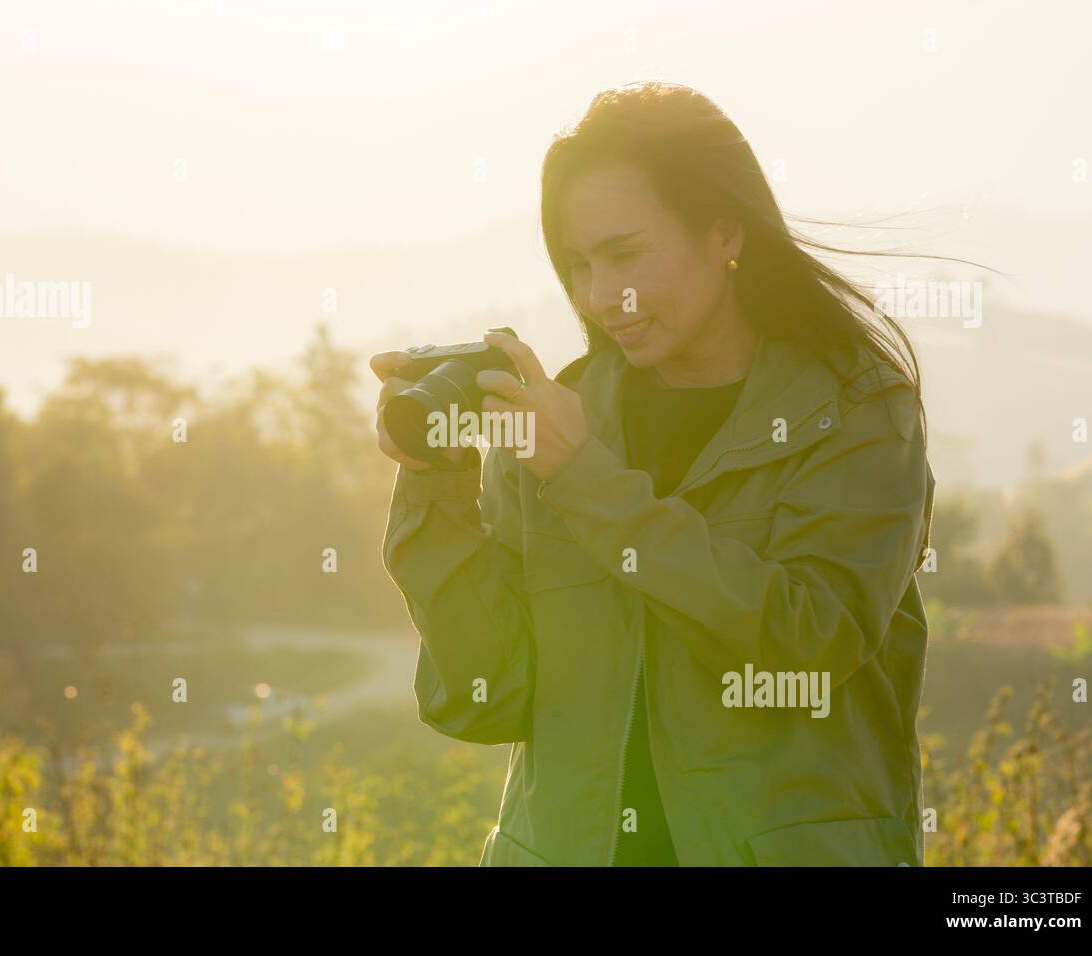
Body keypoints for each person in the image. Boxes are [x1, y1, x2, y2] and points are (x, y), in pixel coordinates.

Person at [371, 82, 936, 866]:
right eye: (577, 264)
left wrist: (585, 479)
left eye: (626, 255)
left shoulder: (856, 412)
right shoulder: (559, 417)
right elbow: (481, 697)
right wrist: (437, 479)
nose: (601, 297)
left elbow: (806, 645)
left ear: (726, 232)